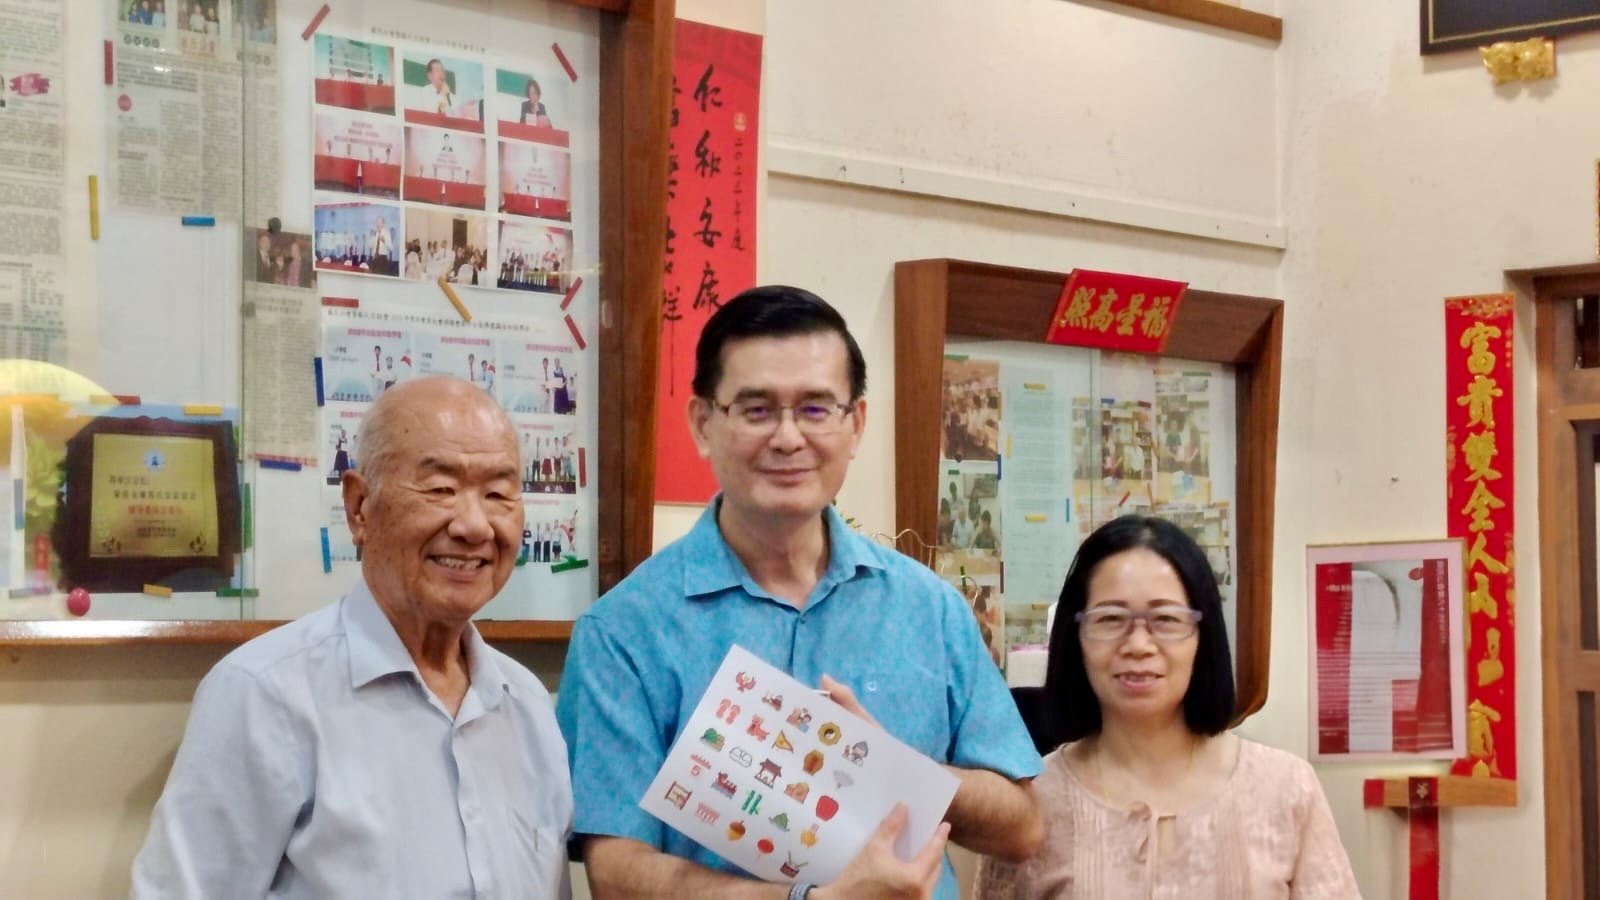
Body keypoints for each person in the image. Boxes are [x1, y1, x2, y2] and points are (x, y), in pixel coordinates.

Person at [556, 286, 1044, 899]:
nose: (788, 438)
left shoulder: (930, 608)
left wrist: (889, 768)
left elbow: (1022, 827)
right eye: (756, 409)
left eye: (815, 409)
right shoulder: (623, 631)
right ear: (703, 424)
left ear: (855, 424)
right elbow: (617, 871)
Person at [131, 376, 573, 898]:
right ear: (359, 506)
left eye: (498, 493)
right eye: (440, 489)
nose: (475, 526)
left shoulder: (526, 705)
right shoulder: (264, 695)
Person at [974, 515, 1358, 899]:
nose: (1138, 645)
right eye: (1110, 618)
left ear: (1202, 636)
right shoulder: (1034, 805)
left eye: (1166, 619)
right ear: (1075, 638)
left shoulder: (1286, 788)